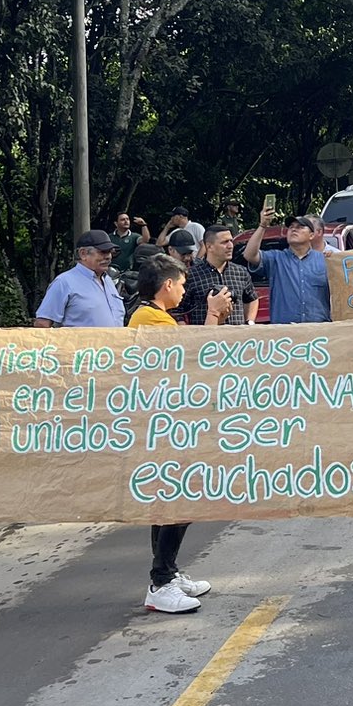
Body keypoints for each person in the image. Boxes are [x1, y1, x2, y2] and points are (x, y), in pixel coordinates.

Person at [129, 253, 225, 613]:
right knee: (175, 499)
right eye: (182, 284)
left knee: (175, 500)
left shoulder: (156, 317)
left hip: (173, 424)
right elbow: (192, 359)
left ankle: (168, 572)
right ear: (167, 285)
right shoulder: (149, 320)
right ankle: (161, 582)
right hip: (163, 426)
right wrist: (213, 315)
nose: (185, 291)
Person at [244, 214, 332, 324]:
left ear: (311, 235)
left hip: (319, 332)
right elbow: (249, 255)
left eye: (300, 227)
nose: (294, 229)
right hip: (285, 332)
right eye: (291, 227)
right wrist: (263, 226)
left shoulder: (325, 260)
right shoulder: (275, 259)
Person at [34, 230, 126, 328]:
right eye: (103, 252)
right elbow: (42, 323)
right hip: (78, 343)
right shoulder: (64, 282)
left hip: (115, 342)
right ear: (83, 254)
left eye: (110, 252)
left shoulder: (108, 280)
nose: (108, 257)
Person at [179, 224, 256, 327]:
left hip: (236, 340)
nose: (230, 246)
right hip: (205, 340)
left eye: (231, 241)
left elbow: (252, 298)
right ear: (209, 246)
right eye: (224, 242)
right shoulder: (191, 275)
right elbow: (177, 309)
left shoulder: (241, 272)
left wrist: (249, 322)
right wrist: (186, 332)